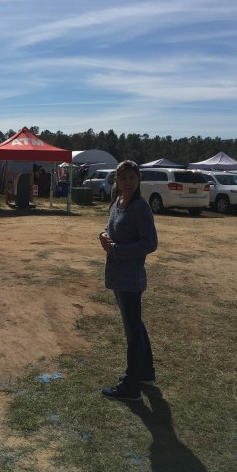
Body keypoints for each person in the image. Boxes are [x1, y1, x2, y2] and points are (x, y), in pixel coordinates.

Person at [99, 160, 158, 401]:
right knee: (135, 324)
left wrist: (117, 250)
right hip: (117, 274)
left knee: (132, 331)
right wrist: (103, 234)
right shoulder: (118, 202)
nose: (128, 182)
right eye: (123, 177)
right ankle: (145, 372)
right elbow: (111, 227)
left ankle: (130, 387)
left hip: (131, 277)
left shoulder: (140, 207)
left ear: (138, 179)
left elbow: (150, 243)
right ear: (117, 180)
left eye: (132, 177)